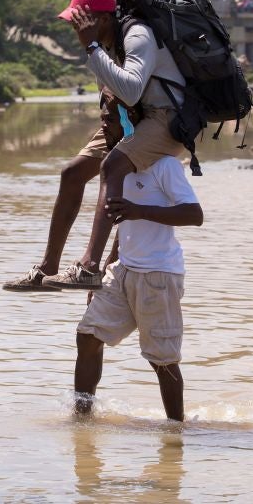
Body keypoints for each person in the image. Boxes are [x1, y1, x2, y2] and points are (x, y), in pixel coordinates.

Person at [2, 0, 187, 293]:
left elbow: (130, 89)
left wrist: (91, 48)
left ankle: (90, 267)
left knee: (113, 168)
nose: (74, 27)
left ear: (101, 19)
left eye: (79, 20)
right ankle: (48, 268)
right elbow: (111, 92)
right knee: (72, 173)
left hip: (167, 118)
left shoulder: (137, 36)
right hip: (135, 117)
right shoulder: (103, 41)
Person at [73, 96, 203, 422]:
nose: (103, 126)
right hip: (123, 271)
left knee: (163, 361)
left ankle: (176, 432)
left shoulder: (164, 164)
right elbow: (122, 224)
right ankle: (82, 418)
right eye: (101, 119)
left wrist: (139, 210)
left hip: (158, 276)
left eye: (109, 121)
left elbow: (194, 214)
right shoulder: (120, 168)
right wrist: (104, 272)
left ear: (132, 121)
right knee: (87, 337)